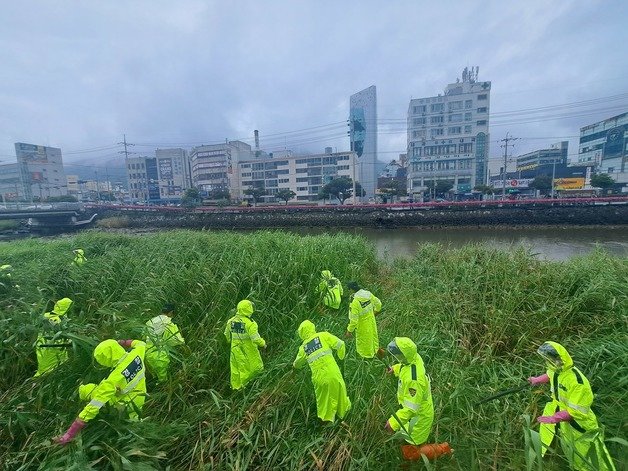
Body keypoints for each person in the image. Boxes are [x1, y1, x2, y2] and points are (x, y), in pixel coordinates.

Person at [528, 341, 616, 470]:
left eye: (550, 360)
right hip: (566, 423)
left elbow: (577, 411)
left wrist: (555, 418)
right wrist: (537, 380)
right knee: (573, 452)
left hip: (581, 426)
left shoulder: (577, 382)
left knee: (592, 456)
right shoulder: (557, 370)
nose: (548, 362)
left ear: (559, 360)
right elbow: (550, 375)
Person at [53, 338, 147, 445]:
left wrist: (69, 435)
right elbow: (140, 343)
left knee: (89, 390)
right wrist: (122, 342)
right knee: (134, 421)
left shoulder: (112, 380)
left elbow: (93, 407)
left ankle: (76, 395)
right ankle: (137, 429)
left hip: (123, 406)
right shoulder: (137, 353)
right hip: (139, 398)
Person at [293, 320, 351, 422]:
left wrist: (294, 368)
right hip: (332, 372)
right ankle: (344, 416)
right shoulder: (323, 335)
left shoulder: (303, 348)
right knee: (340, 393)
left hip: (318, 378)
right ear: (312, 327)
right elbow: (340, 344)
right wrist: (340, 357)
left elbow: (297, 364)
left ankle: (327, 422)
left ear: (301, 333)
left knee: (324, 401)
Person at [384, 337, 434, 445]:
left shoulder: (414, 381)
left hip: (418, 419)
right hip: (413, 416)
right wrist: (395, 369)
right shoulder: (413, 358)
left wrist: (393, 423)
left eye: (398, 355)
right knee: (408, 439)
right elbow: (404, 366)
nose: (396, 357)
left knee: (414, 445)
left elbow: (411, 409)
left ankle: (441, 450)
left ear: (404, 355)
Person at [224, 300, 266, 390]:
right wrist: (263, 344)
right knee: (253, 367)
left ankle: (235, 388)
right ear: (249, 309)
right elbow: (255, 338)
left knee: (235, 369)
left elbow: (226, 334)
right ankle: (247, 388)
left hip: (234, 348)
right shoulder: (250, 324)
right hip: (248, 349)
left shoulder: (231, 321)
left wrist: (229, 341)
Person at [145, 303, 185, 383]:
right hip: (160, 357)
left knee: (152, 378)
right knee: (162, 382)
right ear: (171, 312)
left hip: (147, 354)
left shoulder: (150, 321)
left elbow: (144, 335)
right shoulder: (168, 324)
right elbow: (177, 341)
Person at [34, 297, 74, 377]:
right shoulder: (59, 322)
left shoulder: (45, 316)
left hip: (41, 346)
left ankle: (38, 380)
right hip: (53, 350)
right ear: (67, 308)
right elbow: (61, 340)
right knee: (50, 370)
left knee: (43, 366)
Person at [345, 281, 381, 358]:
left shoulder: (354, 302)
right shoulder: (368, 294)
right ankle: (376, 354)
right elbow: (378, 303)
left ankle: (366, 359)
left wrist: (349, 331)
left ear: (351, 290)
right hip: (371, 321)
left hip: (362, 325)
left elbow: (354, 320)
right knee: (373, 337)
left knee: (364, 343)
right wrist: (375, 312)